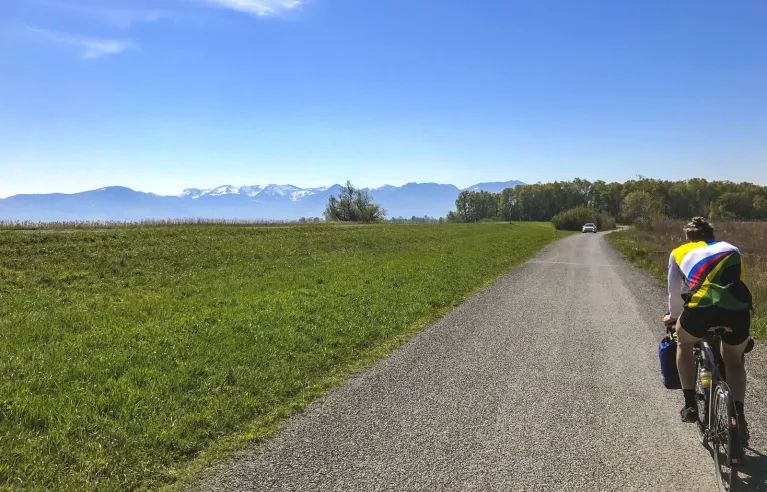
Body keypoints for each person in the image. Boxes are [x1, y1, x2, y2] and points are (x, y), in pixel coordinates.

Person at [663, 217, 752, 442]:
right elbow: (739, 283)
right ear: (712, 236)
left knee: (683, 342)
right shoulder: (732, 249)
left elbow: (674, 291)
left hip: (700, 311)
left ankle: (690, 404)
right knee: (733, 360)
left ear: (687, 238)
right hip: (737, 312)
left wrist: (673, 317)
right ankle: (739, 415)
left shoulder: (679, 252)